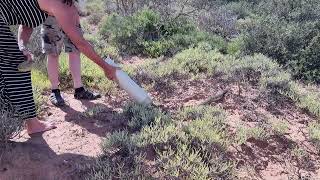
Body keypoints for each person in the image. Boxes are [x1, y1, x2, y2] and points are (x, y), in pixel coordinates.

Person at [0, 0, 117, 135]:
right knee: (17, 65)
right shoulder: (60, 4)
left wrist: (22, 46)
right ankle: (33, 124)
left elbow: (27, 24)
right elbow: (80, 43)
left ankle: (11, 117)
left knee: (10, 64)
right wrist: (106, 67)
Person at [41, 1, 100, 107]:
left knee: (75, 50)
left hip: (71, 14)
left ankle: (79, 89)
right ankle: (55, 91)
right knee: (53, 53)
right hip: (52, 15)